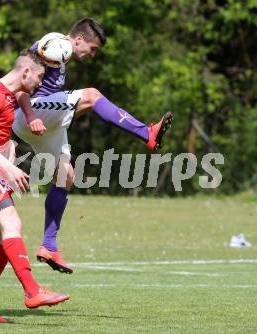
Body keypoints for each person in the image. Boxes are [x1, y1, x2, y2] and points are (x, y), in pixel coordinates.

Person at [12, 18, 173, 274]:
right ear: (78, 40)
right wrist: (31, 117)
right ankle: (147, 133)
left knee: (65, 176)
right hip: (29, 115)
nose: (93, 54)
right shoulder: (53, 45)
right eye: (93, 48)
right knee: (92, 95)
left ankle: (49, 246)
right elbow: (20, 84)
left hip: (41, 121)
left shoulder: (61, 55)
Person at [0, 49, 69, 323]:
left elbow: (0, 136)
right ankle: (33, 291)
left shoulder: (8, 96)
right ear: (26, 72)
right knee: (12, 226)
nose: (41, 84)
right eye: (40, 77)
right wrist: (8, 167)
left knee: (5, 237)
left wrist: (7, 162)